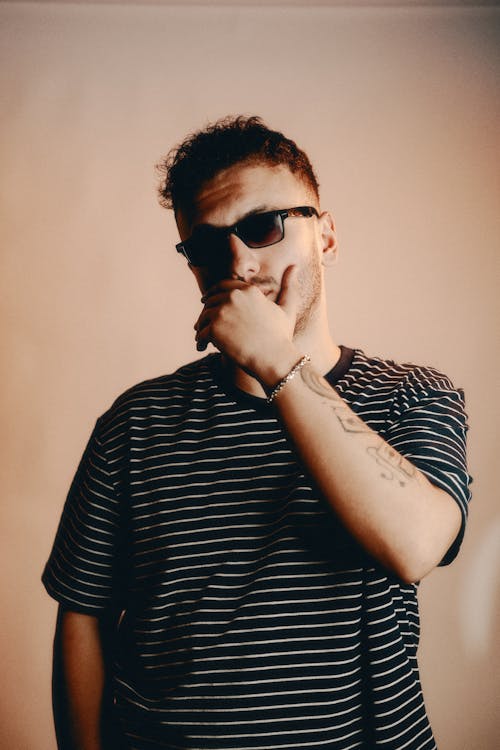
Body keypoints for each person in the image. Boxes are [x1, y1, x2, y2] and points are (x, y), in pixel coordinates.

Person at [43, 115, 471, 750]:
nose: (238, 262)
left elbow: (413, 546)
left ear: (325, 235)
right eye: (208, 246)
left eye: (263, 226)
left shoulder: (413, 394)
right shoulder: (136, 421)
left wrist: (278, 364)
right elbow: (84, 616)